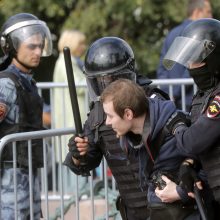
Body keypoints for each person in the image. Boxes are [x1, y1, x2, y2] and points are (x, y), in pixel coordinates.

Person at [63, 36, 198, 220]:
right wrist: (79, 154)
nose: (107, 87)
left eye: (111, 80)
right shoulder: (97, 115)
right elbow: (85, 162)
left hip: (168, 207)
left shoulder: (151, 104)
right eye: (100, 82)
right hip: (133, 210)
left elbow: (189, 153)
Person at [100, 78, 220, 220]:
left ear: (128, 114)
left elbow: (211, 169)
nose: (107, 122)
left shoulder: (175, 131)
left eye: (110, 116)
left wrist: (180, 192)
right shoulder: (132, 137)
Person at [162, 18, 220, 218]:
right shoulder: (204, 95)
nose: (189, 66)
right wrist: (188, 164)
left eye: (194, 58)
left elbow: (193, 141)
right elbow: (201, 148)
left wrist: (177, 126)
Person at [0, 13, 53, 219]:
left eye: (40, 46)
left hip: (28, 174)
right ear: (11, 47)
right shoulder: (6, 84)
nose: (38, 51)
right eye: (32, 46)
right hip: (9, 179)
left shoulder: (27, 82)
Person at [156, 0, 212, 111]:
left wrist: (169, 94)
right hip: (192, 100)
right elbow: (194, 66)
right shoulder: (198, 33)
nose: (211, 16)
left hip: (172, 101)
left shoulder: (172, 33)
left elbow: (163, 68)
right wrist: (176, 93)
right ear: (197, 12)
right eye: (208, 12)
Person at [53, 29, 87, 128]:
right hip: (70, 116)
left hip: (73, 114)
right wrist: (94, 79)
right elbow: (78, 86)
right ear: (72, 43)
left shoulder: (74, 61)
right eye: (81, 43)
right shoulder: (65, 61)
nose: (84, 47)